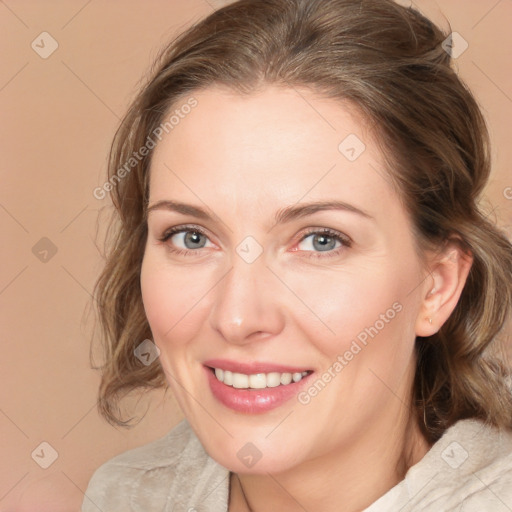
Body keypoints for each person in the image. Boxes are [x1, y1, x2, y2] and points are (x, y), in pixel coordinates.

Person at [82, 0, 512, 510]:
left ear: (436, 285)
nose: (238, 317)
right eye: (192, 237)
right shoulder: (127, 496)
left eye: (321, 240)